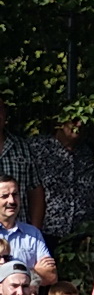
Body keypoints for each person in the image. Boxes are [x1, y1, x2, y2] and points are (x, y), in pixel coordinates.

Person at [27, 117, 94, 252]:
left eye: (83, 120)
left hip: (85, 233)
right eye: (74, 120)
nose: (79, 124)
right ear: (60, 122)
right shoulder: (37, 148)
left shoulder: (88, 150)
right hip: (48, 232)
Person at [0, 176, 54, 283]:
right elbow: (43, 275)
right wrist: (34, 271)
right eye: (5, 196)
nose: (12, 201)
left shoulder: (33, 233)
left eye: (15, 195)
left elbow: (51, 276)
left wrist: (5, 271)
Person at [0, 99, 42, 230]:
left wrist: (35, 231)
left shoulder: (22, 147)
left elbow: (35, 191)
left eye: (0, 110)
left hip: (20, 233)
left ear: (5, 114)